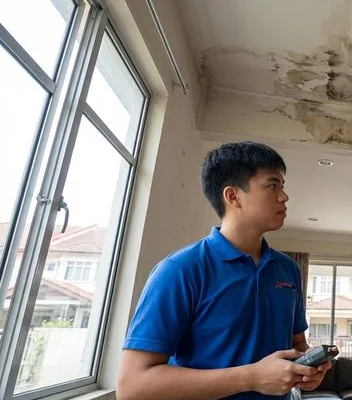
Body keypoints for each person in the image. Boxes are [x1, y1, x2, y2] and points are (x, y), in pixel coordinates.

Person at [117, 141, 331, 400]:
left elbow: (297, 343)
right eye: (272, 185)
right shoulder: (180, 270)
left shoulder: (288, 269)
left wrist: (306, 368)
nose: (284, 196)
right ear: (233, 196)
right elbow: (132, 387)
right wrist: (251, 378)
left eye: (282, 187)